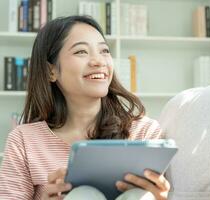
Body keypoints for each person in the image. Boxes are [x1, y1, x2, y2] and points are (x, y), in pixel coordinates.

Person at [0, 15, 170, 200]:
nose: (99, 61)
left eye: (104, 51)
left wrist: (160, 198)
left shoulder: (144, 133)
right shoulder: (24, 140)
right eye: (81, 52)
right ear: (51, 71)